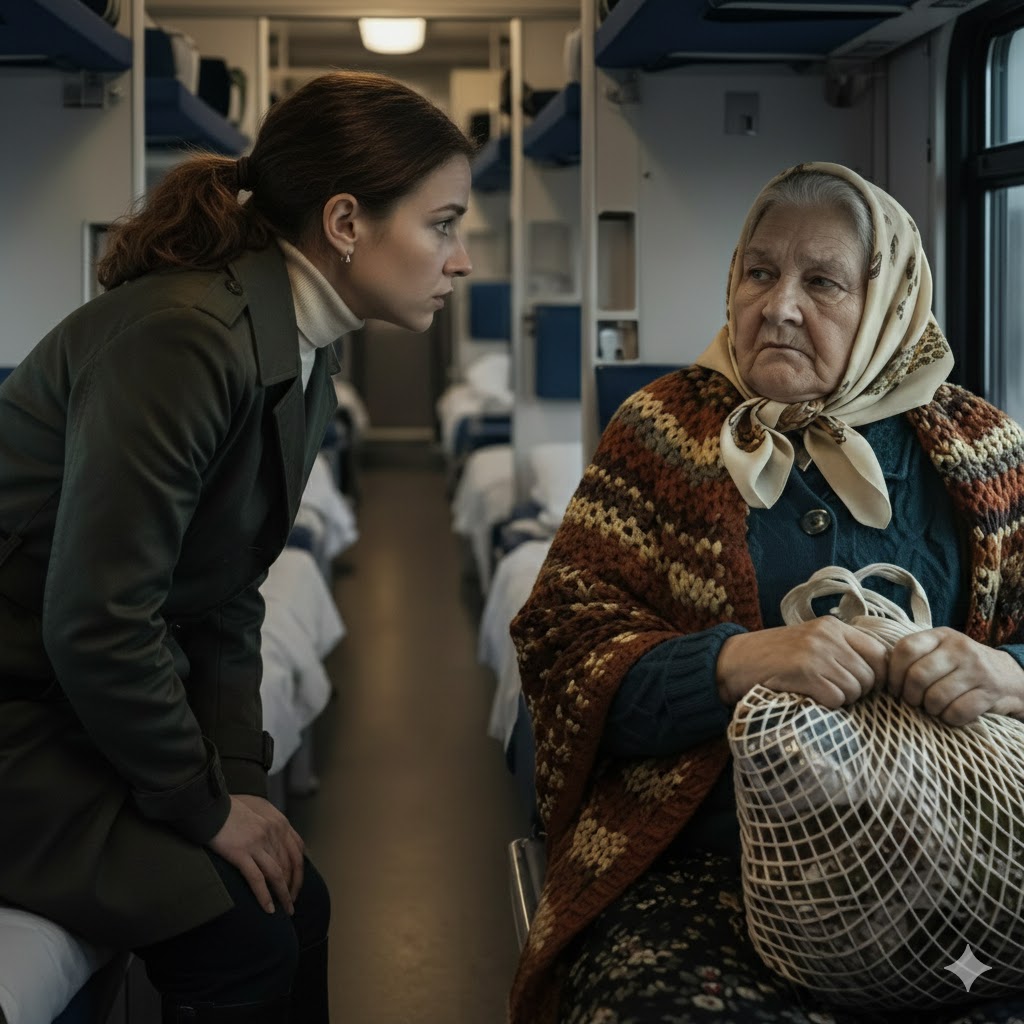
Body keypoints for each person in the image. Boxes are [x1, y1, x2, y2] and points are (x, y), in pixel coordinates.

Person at [0, 70, 472, 1023]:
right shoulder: (182, 340)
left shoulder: (300, 349)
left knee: (290, 892)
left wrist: (242, 788)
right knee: (245, 932)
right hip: (21, 717)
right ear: (346, 223)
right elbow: (97, 619)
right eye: (445, 223)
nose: (459, 260)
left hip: (70, 707)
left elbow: (225, 595)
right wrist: (202, 806)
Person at [509, 161, 1024, 1024]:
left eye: (821, 282)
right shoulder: (664, 432)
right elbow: (561, 654)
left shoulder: (984, 450)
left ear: (889, 303)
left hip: (960, 862)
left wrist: (1007, 676)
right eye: (759, 272)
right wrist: (735, 663)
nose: (778, 306)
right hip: (714, 868)